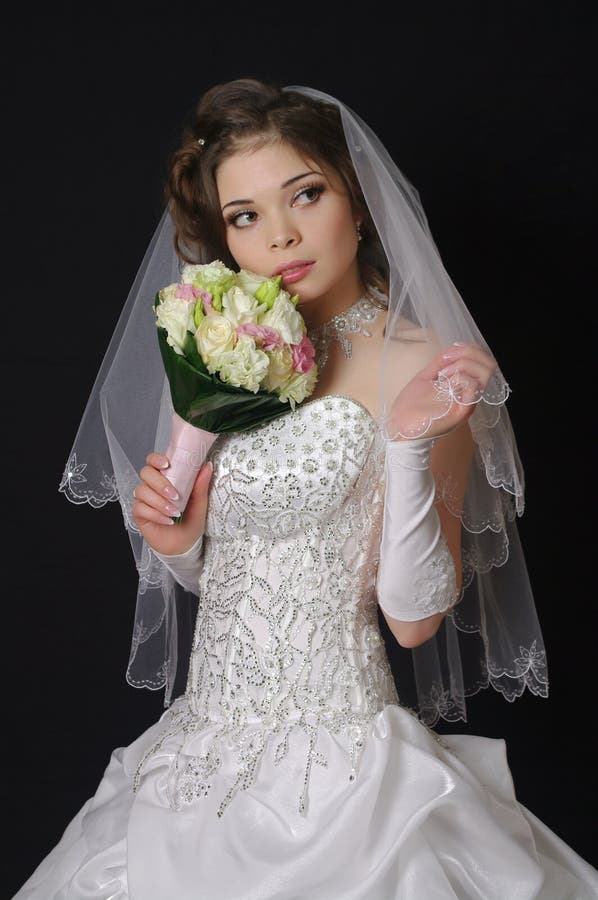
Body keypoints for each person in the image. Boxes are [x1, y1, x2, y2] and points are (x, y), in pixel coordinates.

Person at [13, 78, 598, 899]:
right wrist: (182, 549)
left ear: (359, 204)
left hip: (344, 773)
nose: (281, 236)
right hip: (196, 758)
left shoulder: (426, 367)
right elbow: (245, 576)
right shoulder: (234, 352)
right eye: (245, 216)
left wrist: (407, 444)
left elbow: (415, 619)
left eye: (307, 194)